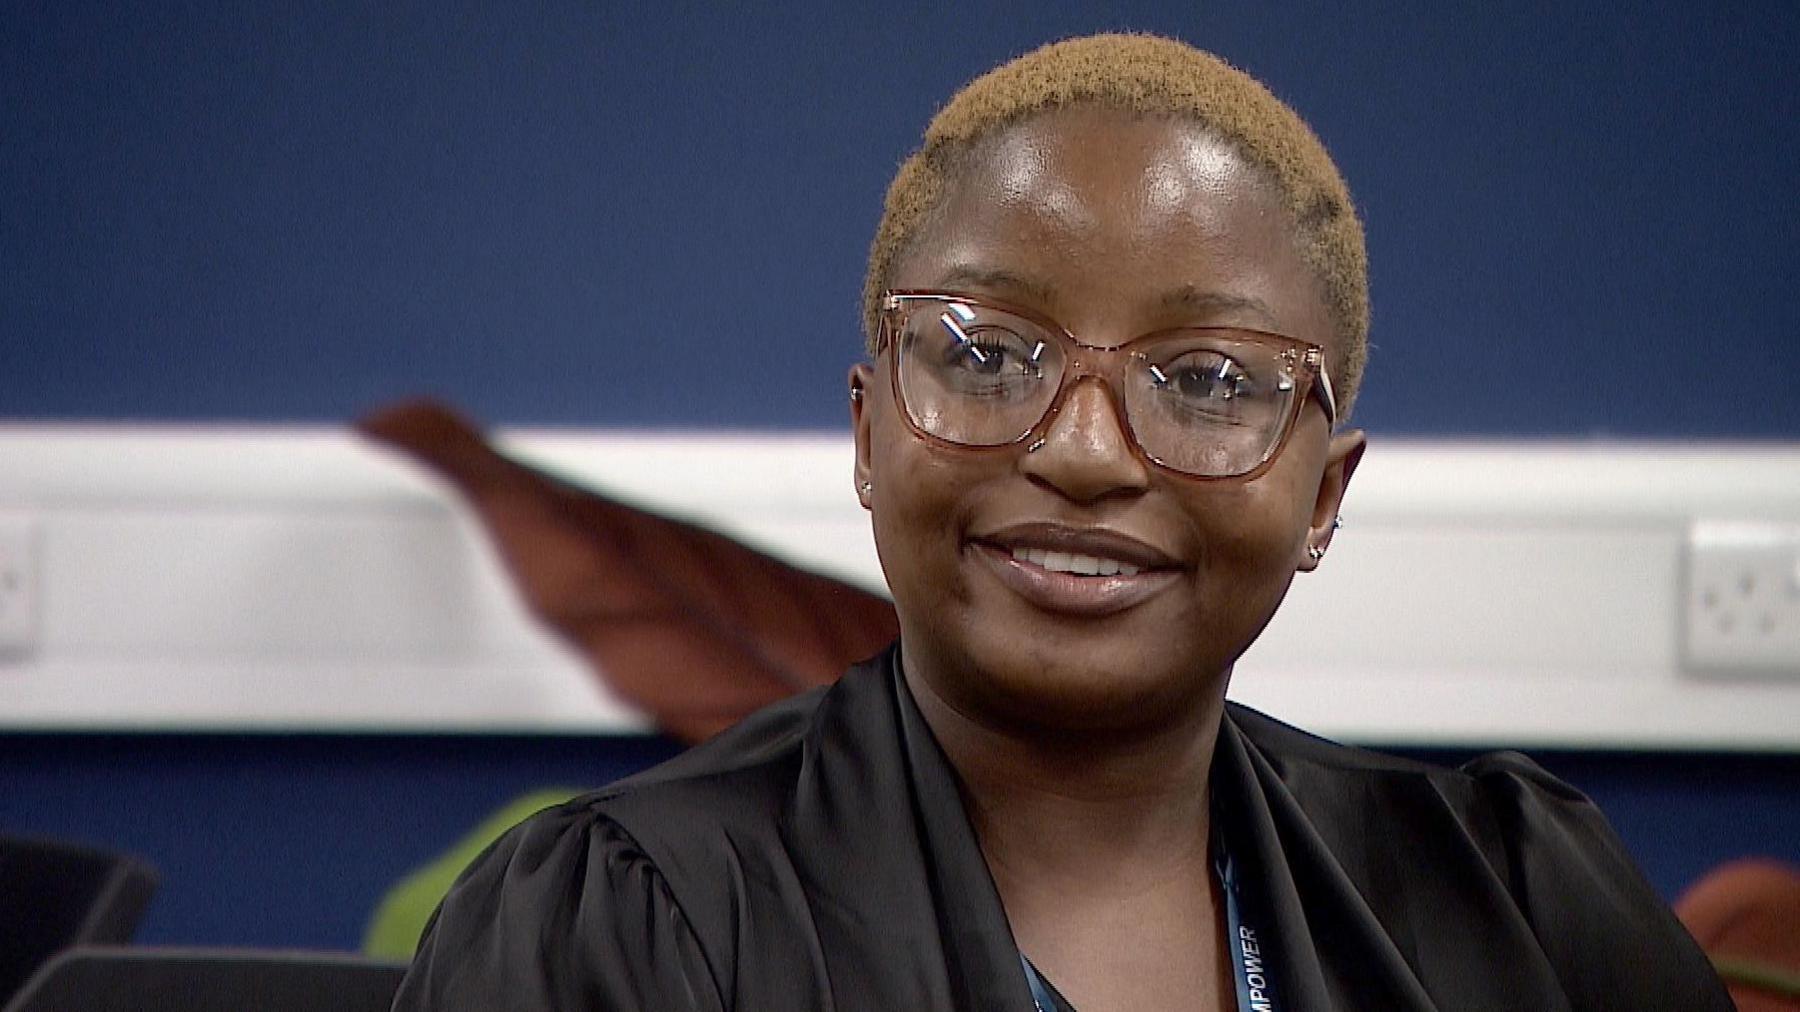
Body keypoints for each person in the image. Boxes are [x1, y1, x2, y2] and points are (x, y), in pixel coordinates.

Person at [391, 34, 1731, 1011]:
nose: (1085, 452)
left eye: (1205, 379)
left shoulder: (1513, 903)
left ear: (1322, 497)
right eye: (986, 355)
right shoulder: (627, 923)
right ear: (870, 434)